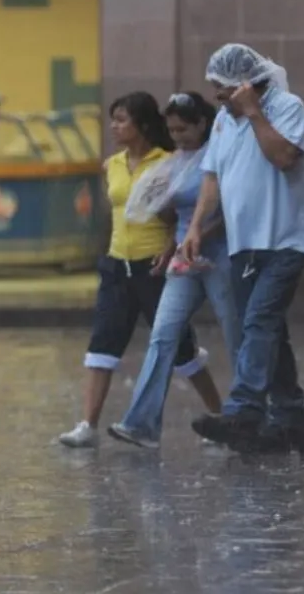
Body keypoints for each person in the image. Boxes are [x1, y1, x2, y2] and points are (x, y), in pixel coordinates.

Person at [182, 43, 304, 455]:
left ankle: (244, 410)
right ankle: (290, 421)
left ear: (246, 85)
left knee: (260, 320)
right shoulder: (223, 122)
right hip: (244, 244)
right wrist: (196, 227)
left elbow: (283, 157)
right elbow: (212, 177)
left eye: (224, 89)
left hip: (286, 239)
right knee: (267, 330)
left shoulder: (287, 108)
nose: (217, 97)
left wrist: (254, 113)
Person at [58, 91, 217, 449]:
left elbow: (177, 217)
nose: (114, 127)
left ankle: (220, 413)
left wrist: (169, 247)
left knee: (181, 349)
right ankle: (88, 424)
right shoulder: (111, 165)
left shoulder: (168, 162)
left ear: (143, 125)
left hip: (154, 266)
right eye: (112, 120)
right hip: (117, 264)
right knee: (102, 343)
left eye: (121, 120)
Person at [107, 92, 234, 449]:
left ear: (202, 124)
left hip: (219, 256)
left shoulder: (219, 156)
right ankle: (142, 424)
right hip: (183, 259)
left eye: (183, 130)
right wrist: (158, 204)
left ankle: (247, 414)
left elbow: (232, 211)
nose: (177, 137)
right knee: (163, 335)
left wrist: (199, 235)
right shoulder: (175, 162)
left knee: (235, 334)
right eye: (172, 130)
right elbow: (171, 216)